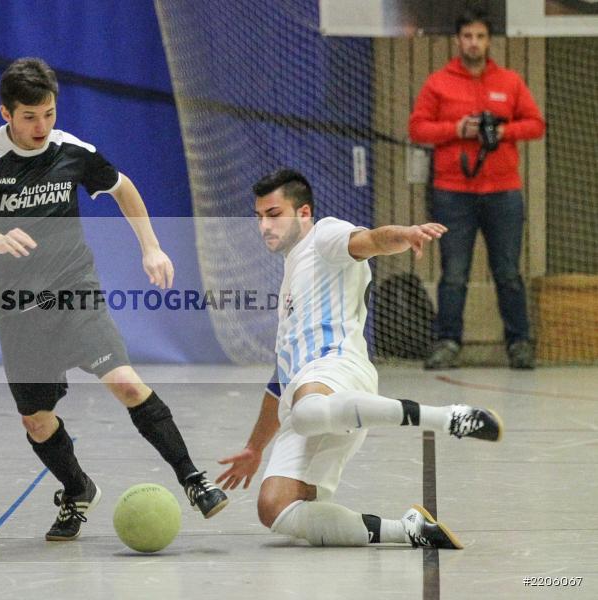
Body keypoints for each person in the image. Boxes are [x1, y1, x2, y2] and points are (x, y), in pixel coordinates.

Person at [0, 57, 227, 541]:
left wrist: (151, 246)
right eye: (29, 117)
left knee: (125, 382)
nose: (42, 127)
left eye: (49, 114)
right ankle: (78, 489)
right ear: (6, 113)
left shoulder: (71, 151)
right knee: (37, 421)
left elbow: (123, 188)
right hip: (17, 304)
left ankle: (193, 478)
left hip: (74, 289)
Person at [215, 168, 504, 549]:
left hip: (339, 372)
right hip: (310, 396)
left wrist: (404, 235)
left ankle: (448, 417)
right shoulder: (290, 280)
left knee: (306, 412)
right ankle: (409, 529)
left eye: (274, 214)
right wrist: (255, 448)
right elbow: (278, 380)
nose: (264, 225)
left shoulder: (324, 236)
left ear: (303, 213)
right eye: (259, 217)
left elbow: (369, 241)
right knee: (275, 509)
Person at [409, 8, 545, 370]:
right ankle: (448, 341)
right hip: (453, 193)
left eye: (480, 36)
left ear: (489, 40)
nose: (474, 43)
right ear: (458, 40)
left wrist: (502, 132)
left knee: (508, 272)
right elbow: (418, 129)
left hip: (503, 192)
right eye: (468, 36)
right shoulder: (438, 83)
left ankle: (519, 343)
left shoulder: (510, 81)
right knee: (453, 273)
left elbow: (535, 124)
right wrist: (458, 129)